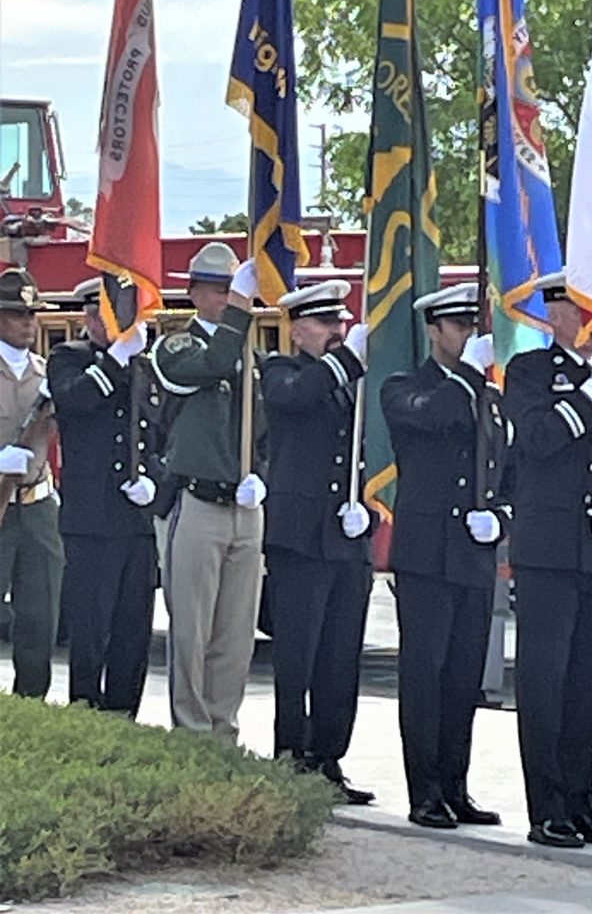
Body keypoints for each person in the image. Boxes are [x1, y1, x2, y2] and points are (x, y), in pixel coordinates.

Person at [503, 270, 592, 849]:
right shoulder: (531, 372)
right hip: (548, 551)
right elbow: (537, 440)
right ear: (556, 313)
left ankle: (584, 802)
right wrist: (590, 396)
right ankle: (549, 808)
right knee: (546, 684)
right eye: (581, 307)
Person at [380, 282, 512, 830]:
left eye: (471, 326)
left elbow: (510, 467)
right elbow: (432, 417)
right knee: (425, 675)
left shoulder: (489, 396)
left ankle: (456, 785)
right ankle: (425, 790)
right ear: (434, 330)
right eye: (458, 326)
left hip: (472, 556)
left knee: (463, 679)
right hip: (426, 556)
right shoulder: (404, 386)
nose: (467, 335)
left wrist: (501, 518)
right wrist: (469, 377)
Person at [262, 279, 375, 804]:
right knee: (298, 655)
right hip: (299, 539)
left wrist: (367, 512)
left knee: (340, 656)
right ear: (298, 328)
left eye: (342, 323)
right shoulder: (282, 371)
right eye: (327, 323)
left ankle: (328, 758)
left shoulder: (352, 380)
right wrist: (347, 361)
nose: (337, 331)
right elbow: (298, 400)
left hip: (344, 537)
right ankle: (291, 756)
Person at [149, 243, 266, 742]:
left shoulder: (250, 354)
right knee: (191, 634)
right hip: (195, 504)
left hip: (243, 506)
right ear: (193, 292)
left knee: (234, 636)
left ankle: (223, 731)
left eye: (231, 291)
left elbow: (263, 426)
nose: (225, 299)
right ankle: (192, 732)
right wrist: (242, 311)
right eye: (217, 290)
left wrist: (260, 472)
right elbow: (214, 364)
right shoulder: (176, 347)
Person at [47, 278, 157, 716]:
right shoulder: (67, 358)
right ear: (87, 317)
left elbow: (161, 430)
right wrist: (115, 361)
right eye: (101, 315)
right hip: (91, 520)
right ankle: (87, 718)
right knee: (91, 633)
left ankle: (125, 716)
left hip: (137, 520)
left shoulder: (141, 365)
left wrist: (155, 480)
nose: (108, 324)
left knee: (133, 633)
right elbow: (74, 401)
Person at [0, 267, 62, 698]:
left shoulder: (48, 374)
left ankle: (32, 707)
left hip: (38, 506)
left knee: (40, 619)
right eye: (18, 314)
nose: (29, 322)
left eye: (32, 314)